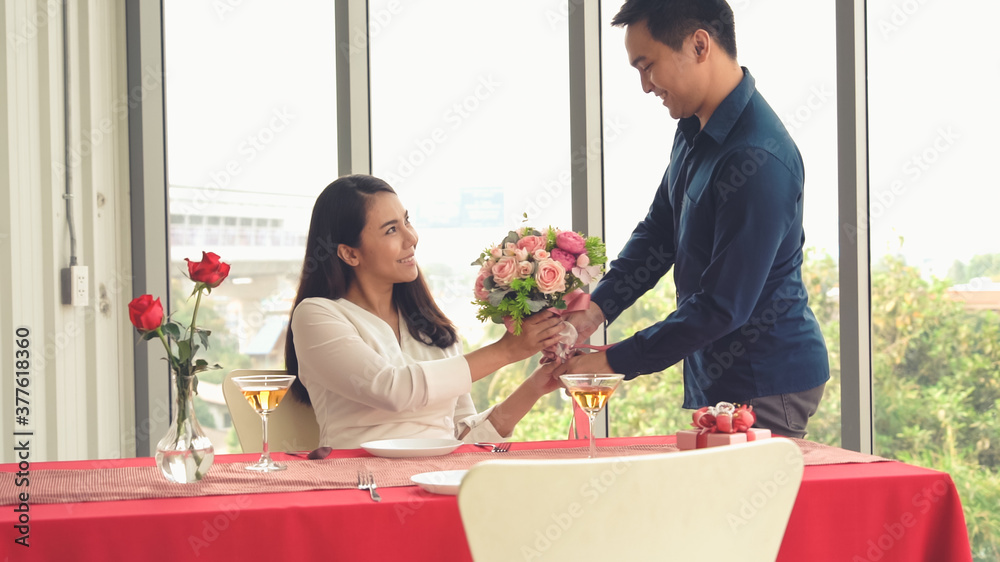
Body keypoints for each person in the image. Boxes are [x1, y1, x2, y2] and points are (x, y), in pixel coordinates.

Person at [564, 0, 829, 438]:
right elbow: (658, 234)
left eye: (648, 66)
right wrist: (593, 312)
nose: (646, 86)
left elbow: (722, 306)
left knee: (749, 505)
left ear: (699, 45)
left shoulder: (756, 157)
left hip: (764, 375)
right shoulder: (694, 127)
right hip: (720, 368)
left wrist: (609, 362)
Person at [285, 175, 568, 449]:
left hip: (435, 478)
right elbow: (392, 389)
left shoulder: (432, 329)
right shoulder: (317, 315)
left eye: (406, 221)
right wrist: (507, 351)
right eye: (391, 229)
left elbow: (461, 438)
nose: (412, 238)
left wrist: (535, 387)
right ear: (350, 253)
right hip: (360, 482)